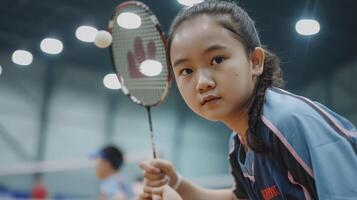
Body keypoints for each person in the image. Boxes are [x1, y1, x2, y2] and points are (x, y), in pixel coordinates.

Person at [138, 0, 357, 199]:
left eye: (217, 59)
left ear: (255, 62)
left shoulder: (288, 122)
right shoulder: (239, 142)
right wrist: (177, 184)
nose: (202, 82)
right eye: (186, 71)